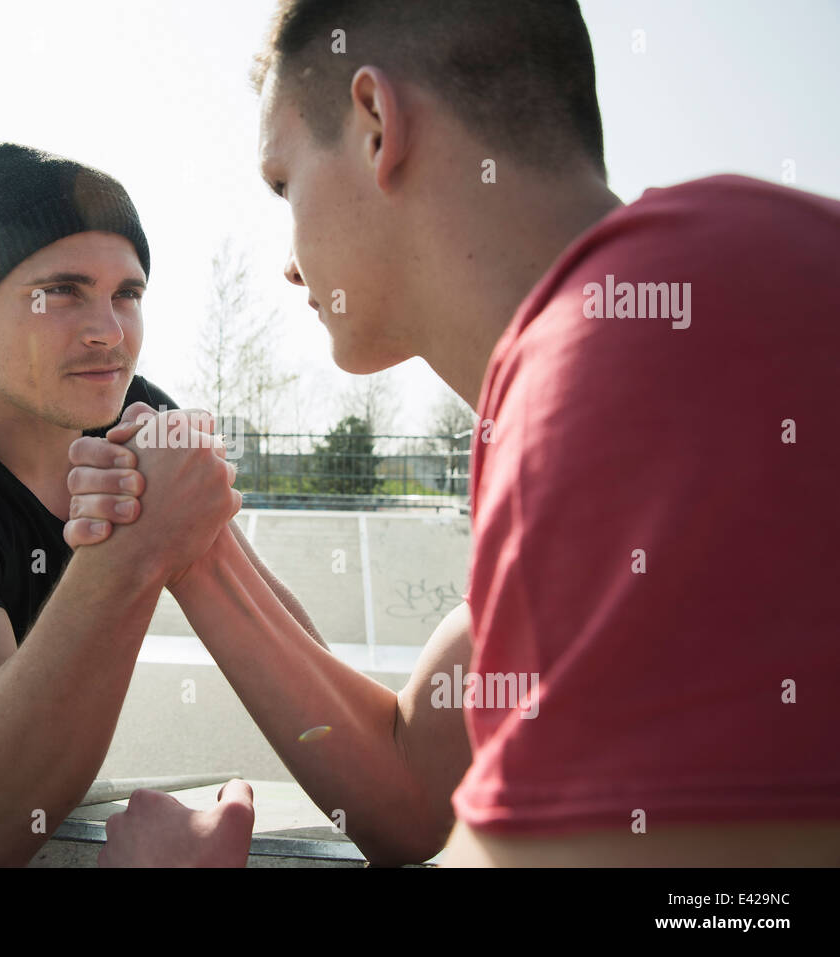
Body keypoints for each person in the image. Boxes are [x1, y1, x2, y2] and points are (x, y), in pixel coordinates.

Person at [65, 0, 840, 866]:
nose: (289, 260)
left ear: (375, 124)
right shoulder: (674, 303)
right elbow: (417, 780)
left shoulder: (615, 366)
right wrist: (192, 549)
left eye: (286, 186)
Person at [0, 142, 322, 867]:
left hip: (51, 723)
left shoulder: (139, 419)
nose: (110, 330)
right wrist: (134, 550)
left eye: (127, 293)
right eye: (62, 290)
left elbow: (296, 655)